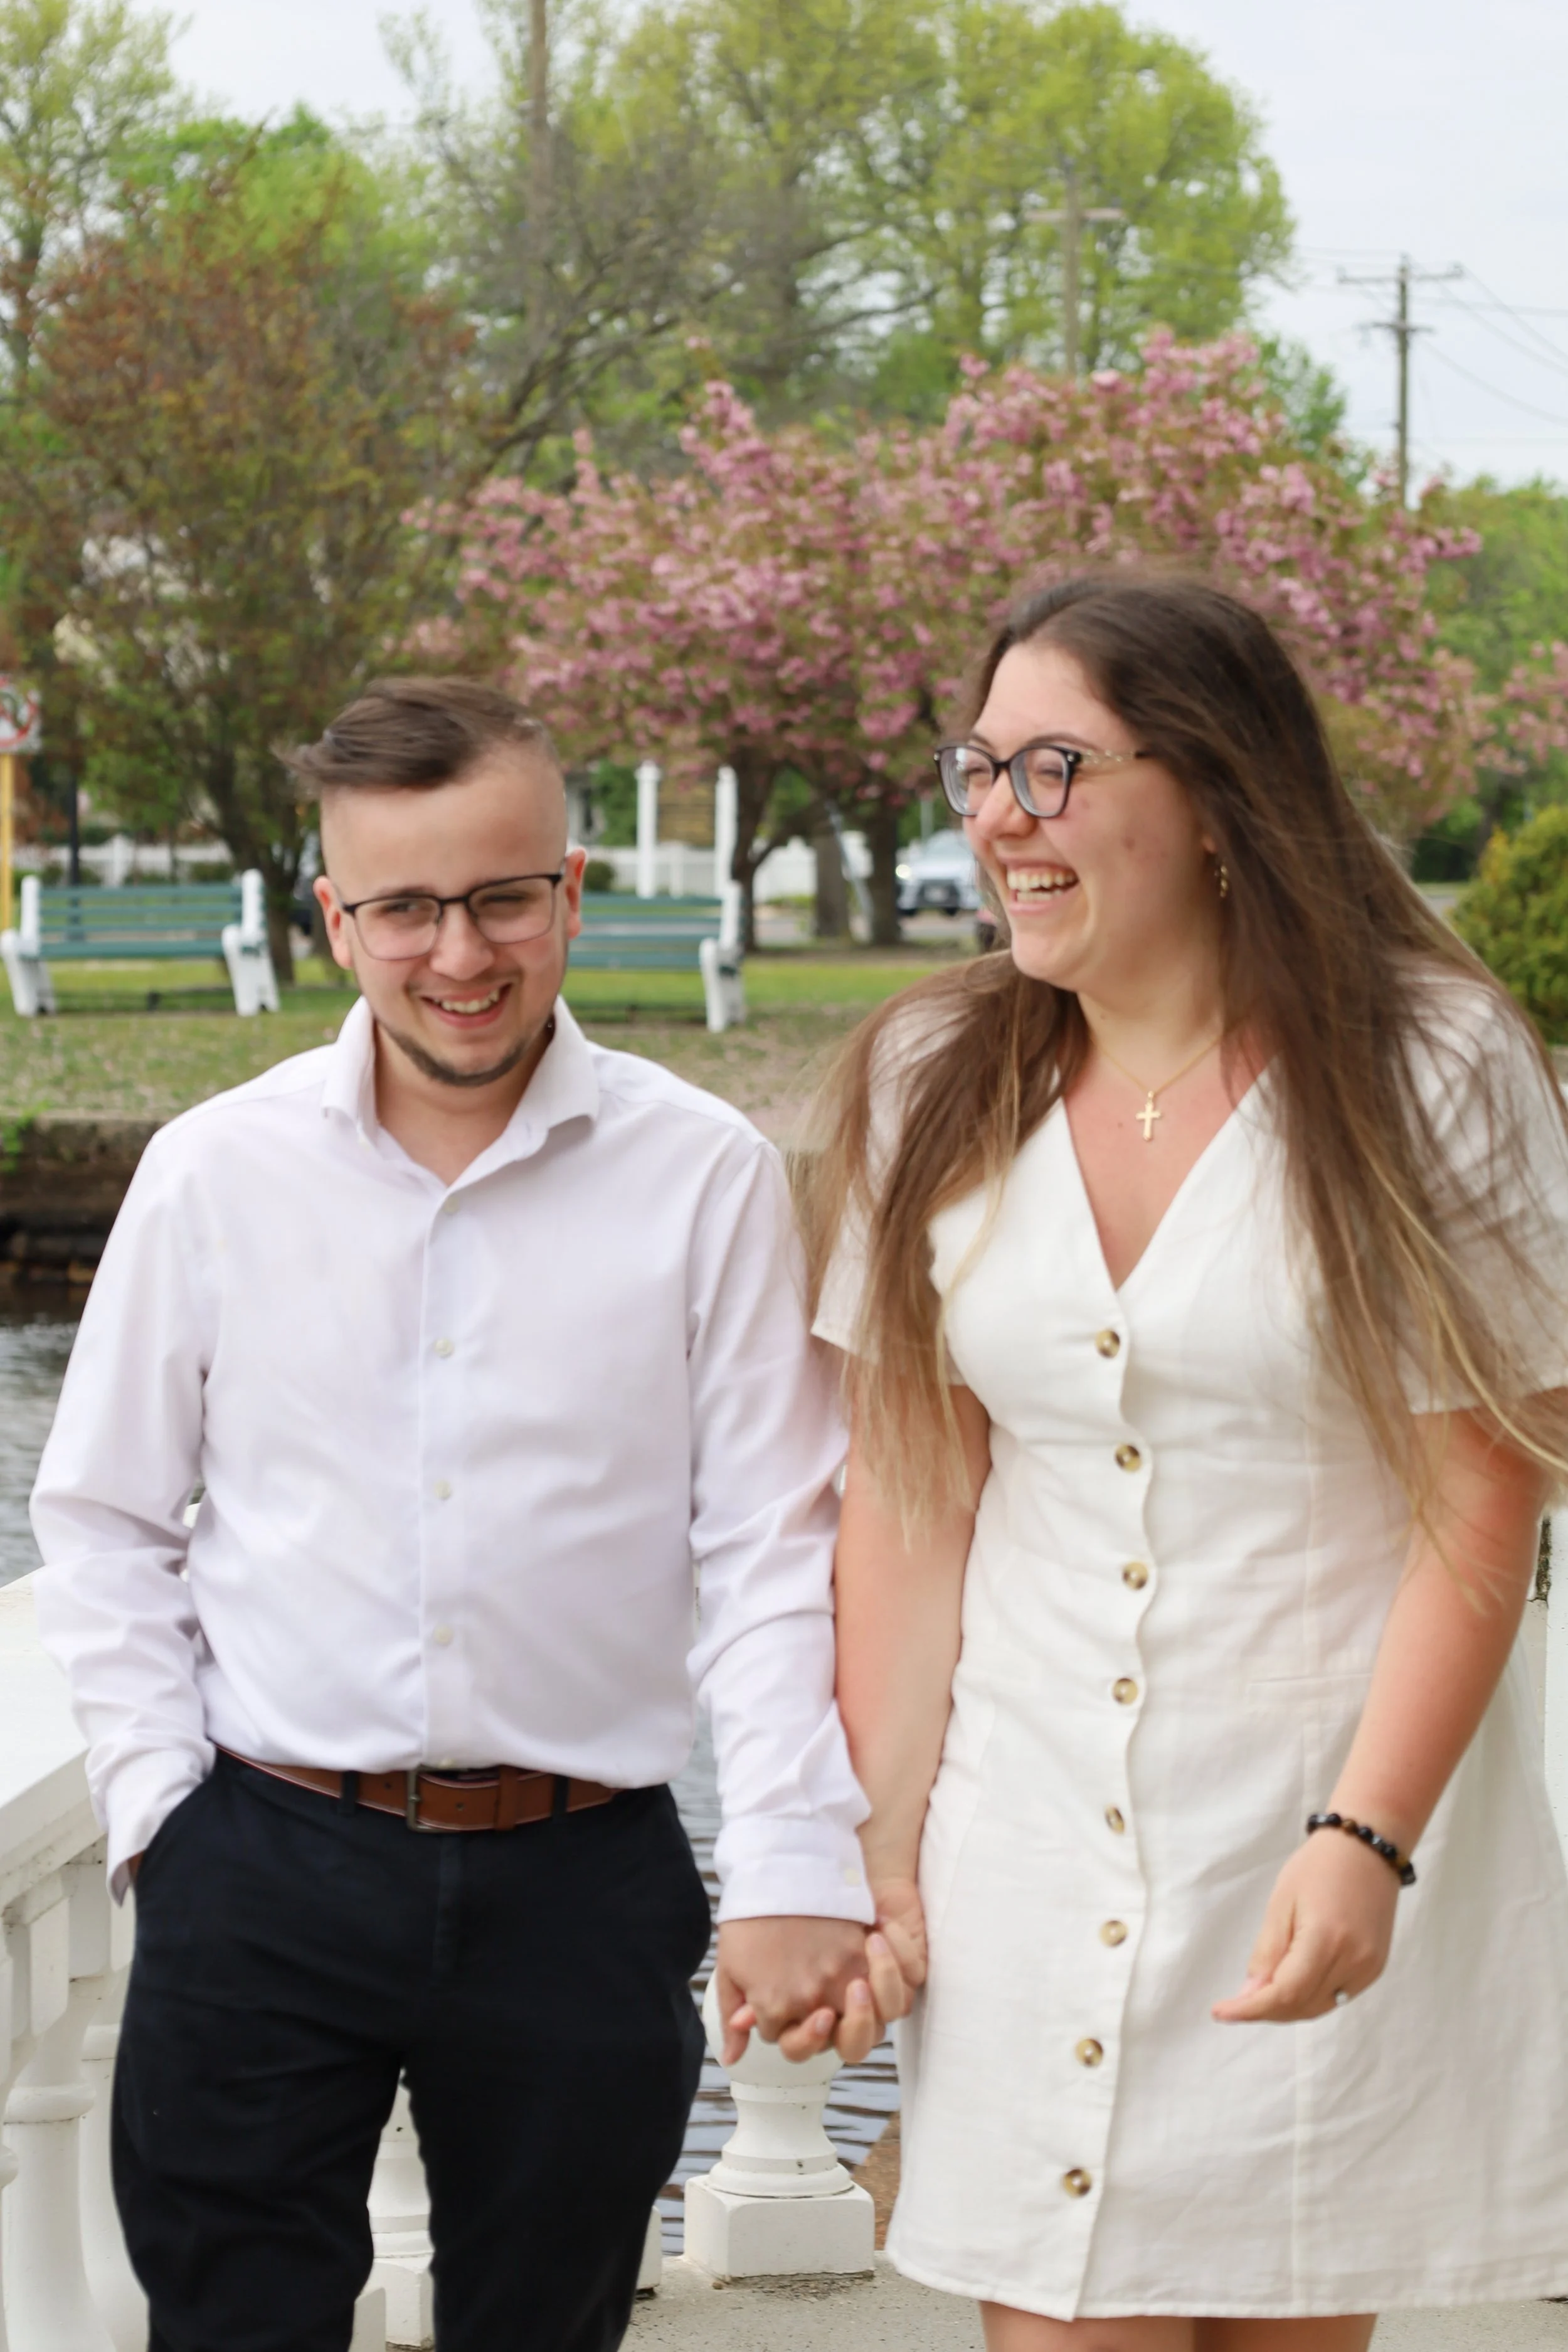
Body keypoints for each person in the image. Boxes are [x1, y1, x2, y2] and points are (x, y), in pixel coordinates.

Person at [32, 677, 901, 2352]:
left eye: (502, 895)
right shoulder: (216, 1172)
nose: (460, 950)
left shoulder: (704, 1171)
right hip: (263, 1863)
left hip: (585, 1875)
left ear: (571, 889)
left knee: (551, 2328)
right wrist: (164, 1824)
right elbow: (108, 1517)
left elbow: (771, 1543)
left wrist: (795, 1851)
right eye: (406, 906)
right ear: (331, 920)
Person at [800, 575, 1568, 2351]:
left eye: (1051, 767)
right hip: (1027, 1839)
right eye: (976, 767)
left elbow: (1484, 1485)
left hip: (1313, 1821)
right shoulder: (932, 1075)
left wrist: (1365, 1835)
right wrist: (879, 1851)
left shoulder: (1430, 1068)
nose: (995, 817)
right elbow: (908, 1501)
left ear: (1216, 792)